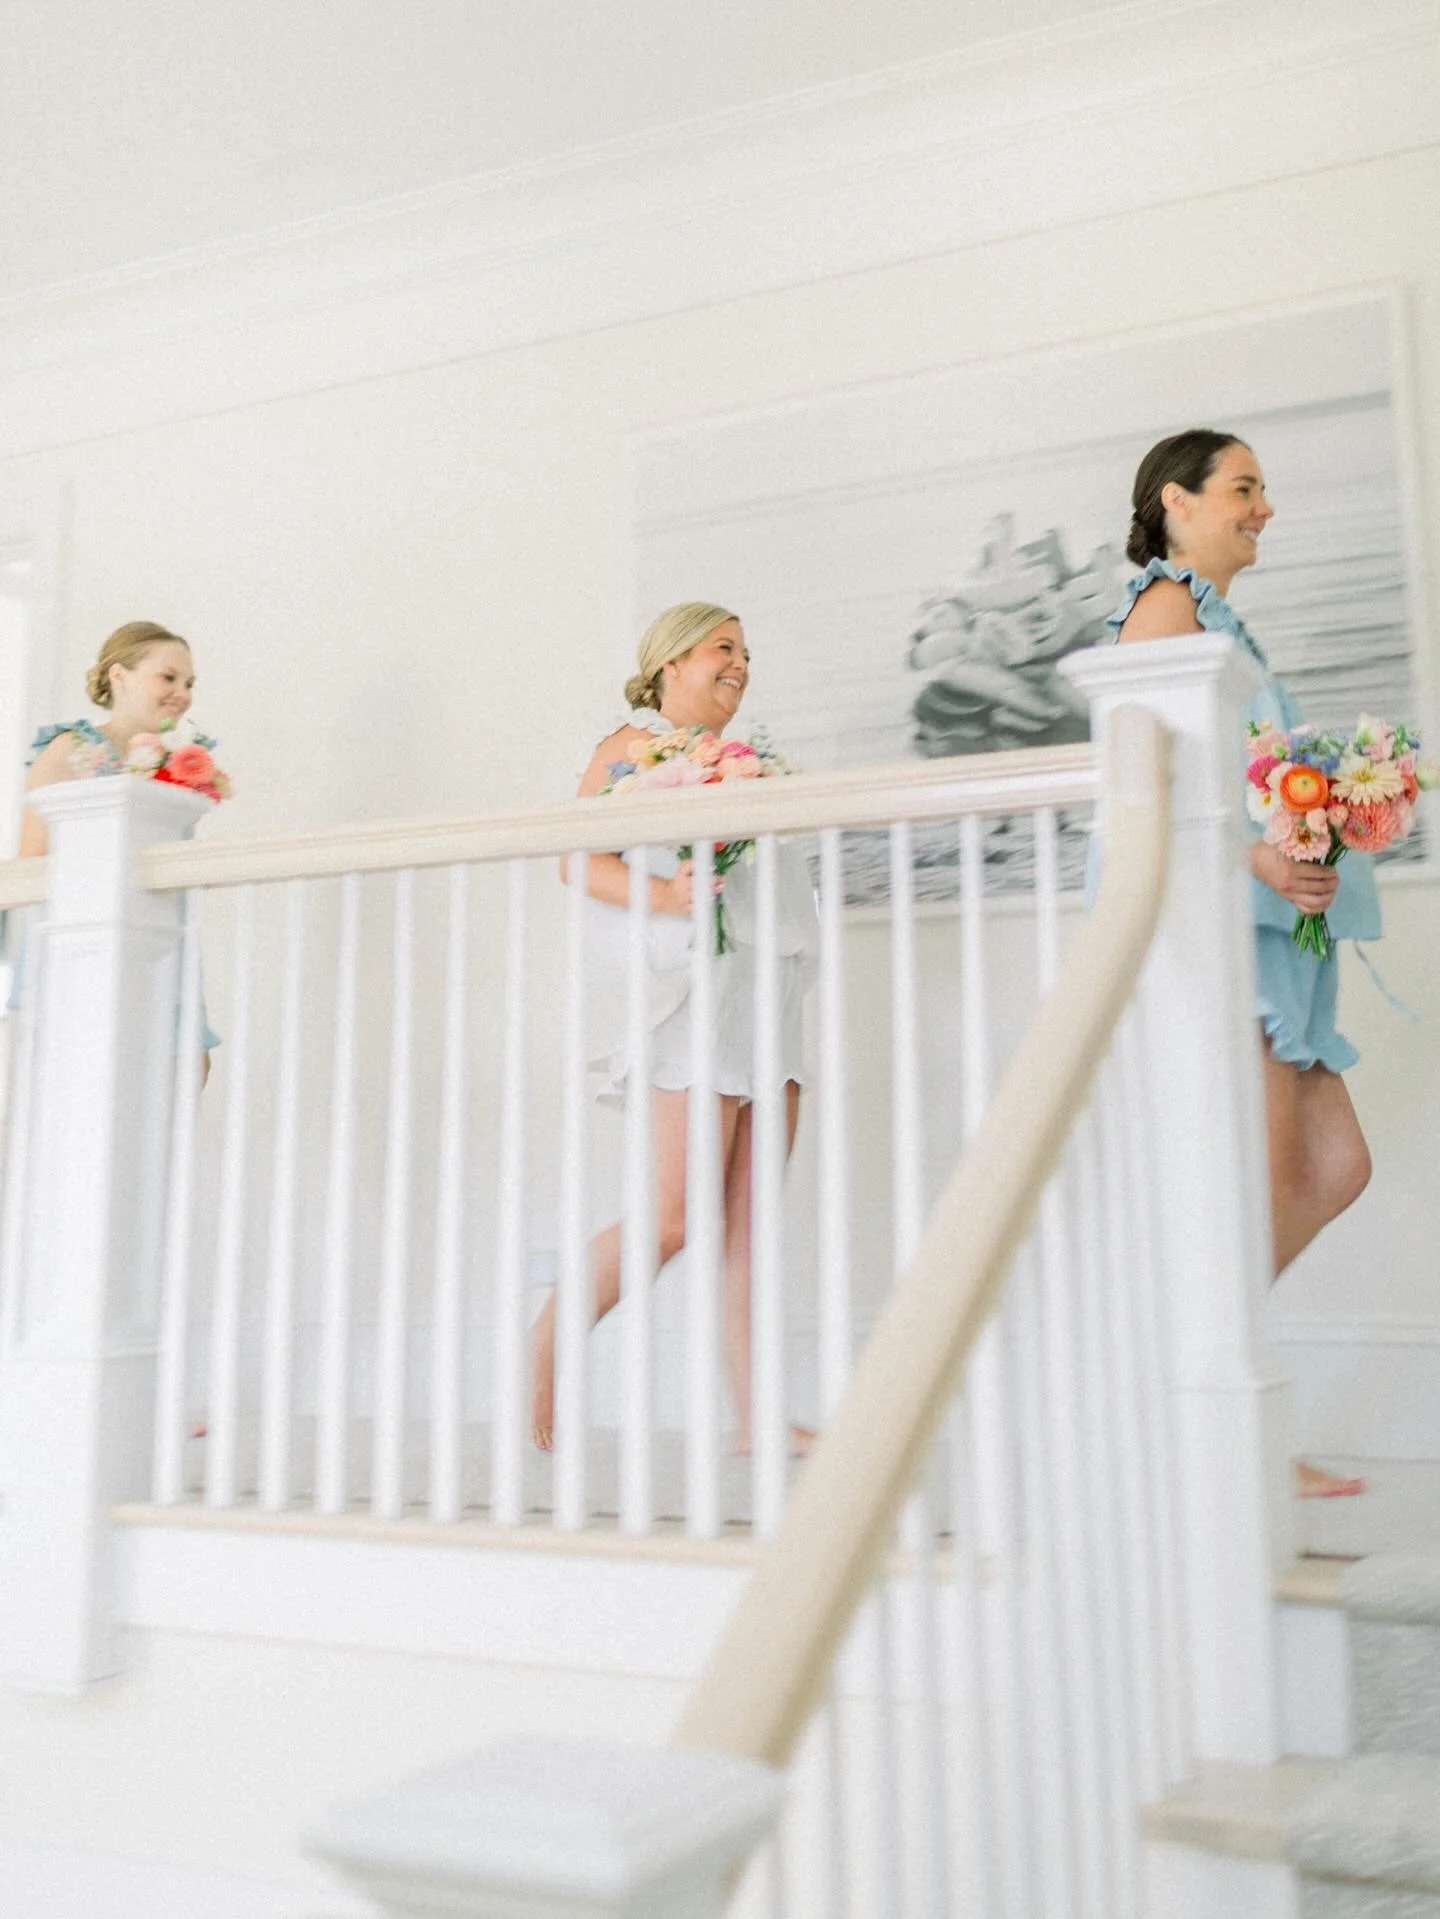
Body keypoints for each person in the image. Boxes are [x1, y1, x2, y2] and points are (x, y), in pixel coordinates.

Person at [1106, 431, 1377, 1498]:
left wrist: (1313, 838)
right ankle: (1210, 1410)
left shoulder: (1221, 622)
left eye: (1265, 488)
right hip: (1223, 924)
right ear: (1176, 499)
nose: (1265, 505)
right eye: (1244, 488)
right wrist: (1260, 855)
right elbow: (1139, 781)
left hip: (1271, 918)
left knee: (1336, 1164)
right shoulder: (1162, 609)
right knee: (1266, 1176)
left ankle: (1179, 1376)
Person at [530, 602, 818, 1455]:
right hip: (692, 1001)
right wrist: (664, 897)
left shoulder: (752, 763)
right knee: (672, 1217)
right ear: (671, 661)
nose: (741, 664)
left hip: (766, 996)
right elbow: (578, 857)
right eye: (724, 648)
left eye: (746, 652)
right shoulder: (630, 745)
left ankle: (757, 1417)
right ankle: (538, 1358)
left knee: (748, 1222)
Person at [17, 619, 220, 1065]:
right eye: (168, 677)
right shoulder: (71, 748)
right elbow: (31, 858)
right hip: (88, 943)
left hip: (164, 938)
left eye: (189, 683)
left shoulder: (179, 765)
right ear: (119, 676)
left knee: (184, 1070)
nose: (182, 693)